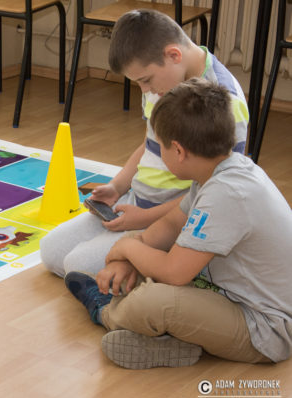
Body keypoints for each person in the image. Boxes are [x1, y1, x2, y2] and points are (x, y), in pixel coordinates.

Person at [64, 78, 292, 369]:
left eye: (160, 147)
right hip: (225, 294)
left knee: (154, 300)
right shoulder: (219, 172)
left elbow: (175, 273)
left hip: (264, 329)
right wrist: (130, 255)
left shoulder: (226, 193)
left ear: (179, 151)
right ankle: (173, 341)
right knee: (147, 270)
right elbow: (171, 225)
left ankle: (105, 311)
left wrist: (125, 247)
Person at [40, 9, 248, 278]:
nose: (145, 90)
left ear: (173, 55)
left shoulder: (226, 103)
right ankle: (138, 262)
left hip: (177, 218)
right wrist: (117, 186)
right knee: (51, 251)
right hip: (136, 203)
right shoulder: (160, 84)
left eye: (145, 80)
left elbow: (216, 190)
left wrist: (146, 219)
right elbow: (149, 144)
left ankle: (161, 264)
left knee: (78, 266)